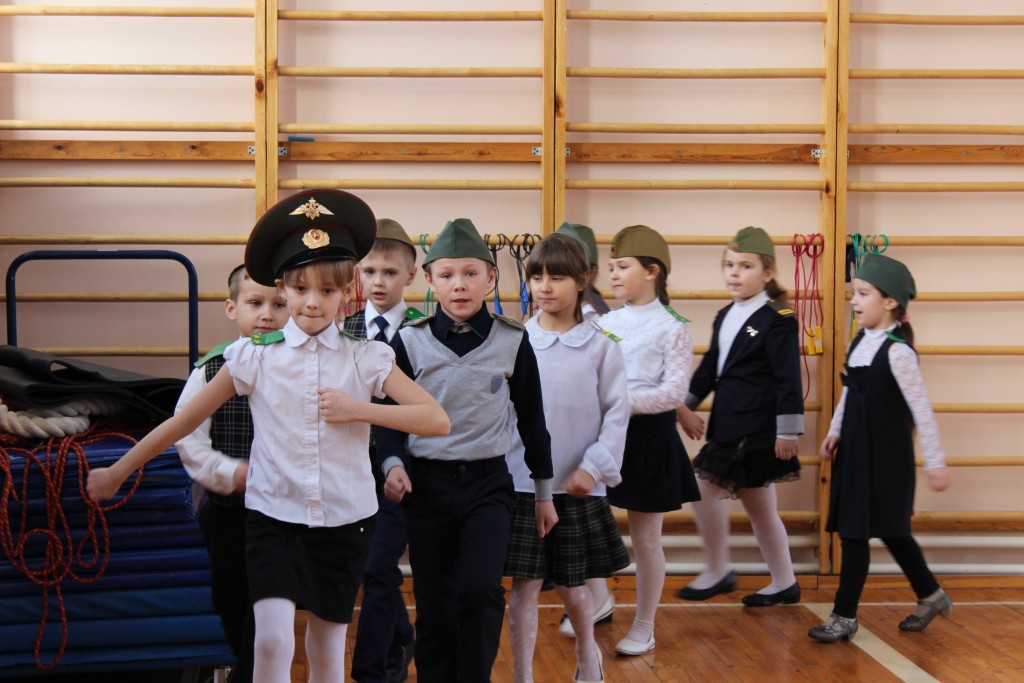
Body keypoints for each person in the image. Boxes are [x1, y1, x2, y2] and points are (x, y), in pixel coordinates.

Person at [87, 189, 450, 683]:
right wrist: (118, 471)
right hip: (273, 515)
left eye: (327, 290)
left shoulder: (366, 357)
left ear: (347, 291)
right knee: (272, 640)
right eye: (299, 289)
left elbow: (436, 419)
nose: (312, 302)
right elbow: (183, 422)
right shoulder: (253, 356)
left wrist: (357, 410)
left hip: (346, 518)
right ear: (283, 287)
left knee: (327, 648)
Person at [374, 218, 555, 683]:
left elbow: (533, 420)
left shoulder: (513, 340)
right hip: (426, 487)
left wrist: (544, 493)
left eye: (471, 273)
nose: (459, 285)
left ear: (491, 277)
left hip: (487, 485)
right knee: (434, 599)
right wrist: (392, 464)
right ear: (430, 280)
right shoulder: (409, 341)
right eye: (448, 275)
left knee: (479, 590)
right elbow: (387, 417)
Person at [503, 233, 630, 683]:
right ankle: (522, 674)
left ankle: (587, 656)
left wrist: (592, 468)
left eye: (556, 277)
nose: (544, 287)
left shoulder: (603, 345)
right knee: (524, 588)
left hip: (576, 486)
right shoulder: (514, 341)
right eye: (536, 277)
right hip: (522, 484)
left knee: (574, 587)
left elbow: (617, 413)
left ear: (583, 280)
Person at [809, 252, 951, 643]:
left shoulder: (899, 352)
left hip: (886, 460)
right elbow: (850, 393)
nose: (854, 300)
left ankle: (844, 616)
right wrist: (836, 430)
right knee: (863, 532)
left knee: (887, 531)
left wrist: (936, 462)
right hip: (856, 453)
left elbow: (921, 411)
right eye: (854, 293)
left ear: (890, 301)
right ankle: (932, 595)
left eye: (863, 293)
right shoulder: (860, 341)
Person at [675, 226, 804, 607]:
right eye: (729, 265)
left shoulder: (777, 318)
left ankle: (718, 569)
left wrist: (788, 432)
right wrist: (683, 404)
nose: (734, 273)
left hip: (755, 427)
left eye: (745, 266)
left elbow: (788, 378)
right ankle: (785, 582)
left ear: (767, 273)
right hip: (730, 422)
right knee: (761, 508)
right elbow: (710, 367)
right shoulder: (725, 314)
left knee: (700, 488)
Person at [174, 264, 289, 683]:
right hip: (227, 515)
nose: (267, 314)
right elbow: (188, 439)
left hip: (282, 519)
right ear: (231, 308)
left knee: (266, 619)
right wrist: (231, 473)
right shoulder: (210, 370)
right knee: (221, 606)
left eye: (279, 304)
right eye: (255, 303)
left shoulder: (302, 367)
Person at [597, 225, 701, 656]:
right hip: (603, 436)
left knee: (645, 538)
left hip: (648, 440)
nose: (613, 275)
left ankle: (644, 625)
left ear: (652, 271)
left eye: (622, 266)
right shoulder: (605, 322)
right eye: (611, 267)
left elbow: (674, 392)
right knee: (583, 525)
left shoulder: (672, 327)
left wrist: (618, 403)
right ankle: (598, 599)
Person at [347, 218, 420, 683]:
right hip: (350, 464)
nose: (379, 281)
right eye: (370, 271)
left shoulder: (424, 331)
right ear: (358, 272)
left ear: (410, 275)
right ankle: (402, 636)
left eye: (390, 273)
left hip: (406, 469)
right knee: (368, 567)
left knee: (378, 565)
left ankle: (371, 670)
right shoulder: (342, 330)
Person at [555, 222, 610, 319]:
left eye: (558, 277)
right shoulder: (544, 312)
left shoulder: (601, 319)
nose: (546, 287)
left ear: (591, 273)